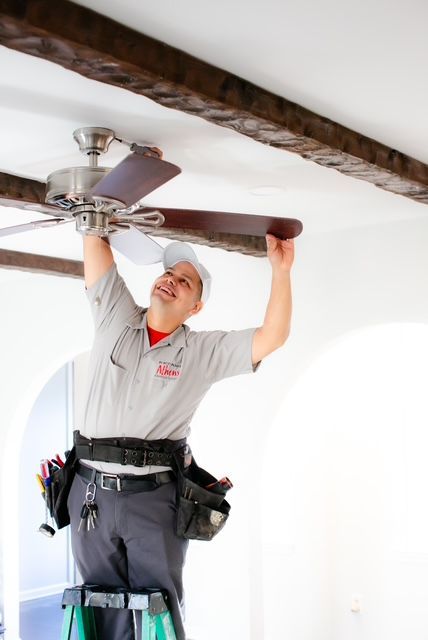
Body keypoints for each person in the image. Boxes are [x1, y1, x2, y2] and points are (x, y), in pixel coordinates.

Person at [67, 184, 294, 640]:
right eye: (168, 272)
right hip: (89, 492)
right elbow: (95, 243)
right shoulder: (115, 319)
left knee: (158, 608)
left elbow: (272, 336)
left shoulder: (200, 352)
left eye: (184, 280)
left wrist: (280, 271)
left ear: (196, 305)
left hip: (153, 498)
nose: (169, 279)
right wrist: (97, 208)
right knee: (98, 603)